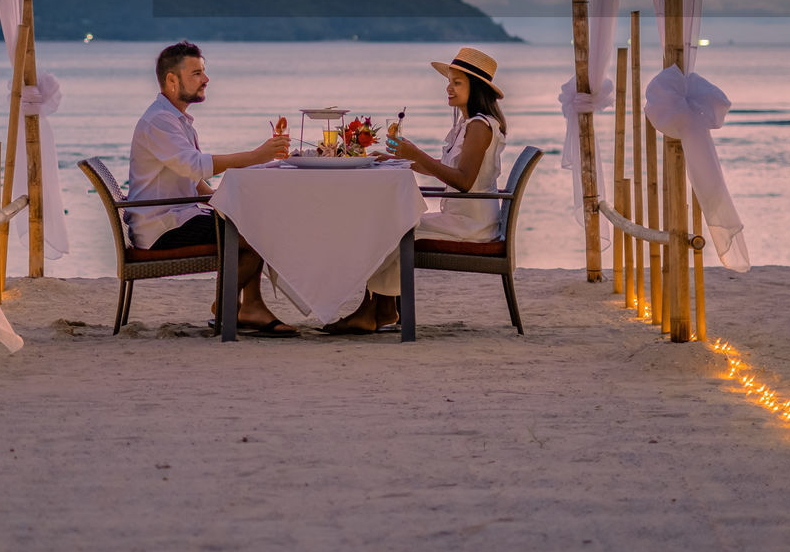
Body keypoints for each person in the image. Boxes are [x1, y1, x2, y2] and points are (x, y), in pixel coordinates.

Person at [325, 46, 507, 335]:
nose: (448, 88)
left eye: (457, 83)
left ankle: (374, 309)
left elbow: (463, 181)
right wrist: (403, 161)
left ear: (477, 88)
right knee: (392, 223)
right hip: (464, 218)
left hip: (472, 225)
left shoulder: (480, 127)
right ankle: (380, 308)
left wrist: (417, 154)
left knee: (395, 228)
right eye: (449, 81)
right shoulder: (467, 125)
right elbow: (446, 168)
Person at [127, 40, 297, 336]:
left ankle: (251, 307)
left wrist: (226, 199)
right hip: (162, 227)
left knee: (255, 219)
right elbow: (194, 166)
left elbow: (192, 180)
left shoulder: (176, 119)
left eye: (203, 72)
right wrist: (257, 156)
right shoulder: (159, 121)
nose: (206, 80)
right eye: (196, 73)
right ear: (171, 79)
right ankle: (228, 304)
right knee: (254, 229)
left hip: (178, 214)